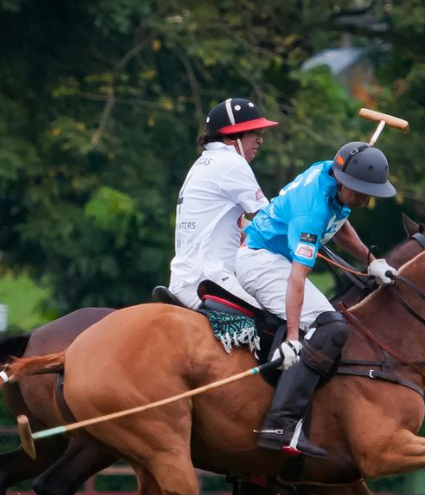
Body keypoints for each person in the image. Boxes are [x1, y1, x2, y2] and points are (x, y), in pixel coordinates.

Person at [235, 141, 398, 458]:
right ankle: (279, 425)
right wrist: (294, 337)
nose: (366, 200)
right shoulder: (312, 213)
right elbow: (297, 279)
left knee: (328, 322)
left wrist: (371, 260)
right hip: (263, 261)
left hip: (274, 256)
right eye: (362, 191)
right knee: (330, 328)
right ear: (343, 181)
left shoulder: (330, 172)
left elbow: (339, 225)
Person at [167, 98, 278, 309]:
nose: (260, 140)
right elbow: (270, 219)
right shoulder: (232, 163)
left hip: (184, 280)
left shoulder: (203, 163)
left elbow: (239, 224)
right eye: (254, 133)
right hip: (210, 280)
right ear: (231, 136)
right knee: (276, 318)